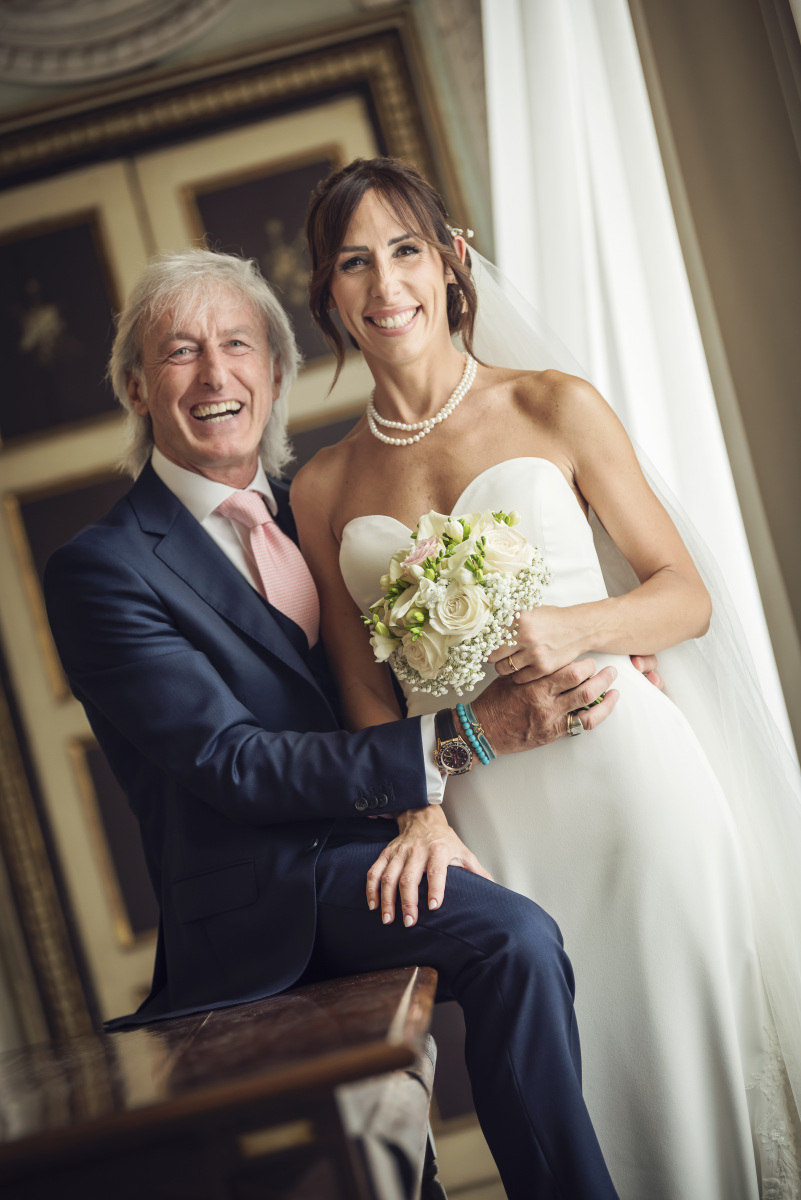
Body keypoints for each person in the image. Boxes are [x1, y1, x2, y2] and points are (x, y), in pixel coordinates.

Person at [43, 246, 659, 1200]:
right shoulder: (102, 569)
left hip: (409, 830)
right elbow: (232, 764)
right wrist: (463, 738)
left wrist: (604, 645)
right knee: (514, 939)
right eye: (180, 352)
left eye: (237, 345)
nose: (214, 375)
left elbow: (432, 649)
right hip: (268, 891)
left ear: (275, 373)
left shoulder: (321, 505)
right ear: (136, 387)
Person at [293, 156, 801, 1200]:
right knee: (584, 1090)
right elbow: (362, 691)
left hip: (628, 782)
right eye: (354, 262)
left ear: (452, 261)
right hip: (489, 820)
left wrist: (579, 625)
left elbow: (685, 596)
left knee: (685, 1063)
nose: (385, 283)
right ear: (329, 295)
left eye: (405, 250)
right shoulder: (324, 485)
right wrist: (418, 817)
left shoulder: (553, 404)